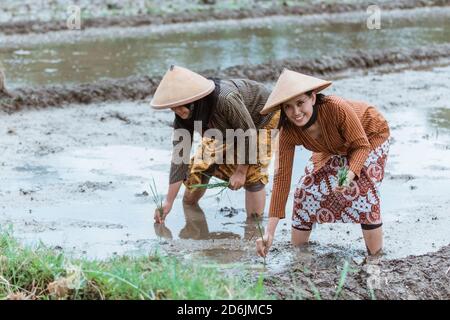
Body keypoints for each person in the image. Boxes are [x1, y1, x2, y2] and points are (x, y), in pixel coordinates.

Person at [256, 69, 390, 257]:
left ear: (312, 97)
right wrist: (269, 232)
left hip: (369, 134)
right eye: (288, 107)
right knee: (305, 190)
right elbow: (281, 179)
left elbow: (360, 146)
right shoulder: (288, 131)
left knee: (363, 191)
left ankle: (375, 258)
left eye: (300, 103)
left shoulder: (335, 107)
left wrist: (347, 176)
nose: (296, 112)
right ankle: (299, 255)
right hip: (331, 147)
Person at [151, 66, 279, 223]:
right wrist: (168, 201)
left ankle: (254, 228)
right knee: (200, 166)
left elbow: (248, 132)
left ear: (193, 99)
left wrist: (240, 171)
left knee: (252, 174)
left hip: (260, 118)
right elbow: (180, 157)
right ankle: (191, 213)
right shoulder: (182, 117)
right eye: (173, 107)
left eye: (180, 105)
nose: (177, 111)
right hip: (224, 127)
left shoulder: (225, 99)